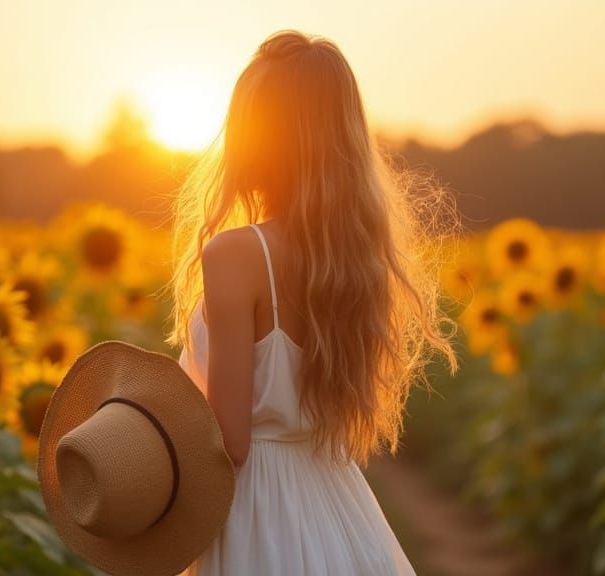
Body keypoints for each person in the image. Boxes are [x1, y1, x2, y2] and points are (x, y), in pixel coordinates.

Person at [169, 29, 458, 575]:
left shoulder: (237, 253)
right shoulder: (354, 260)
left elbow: (229, 442)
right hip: (336, 503)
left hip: (254, 512)